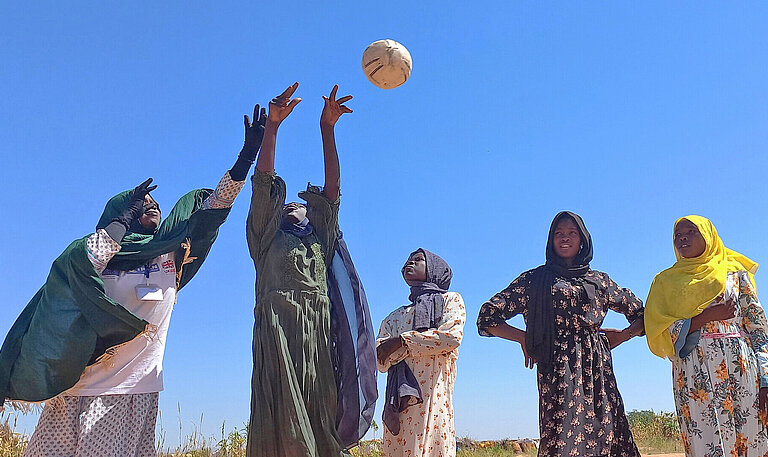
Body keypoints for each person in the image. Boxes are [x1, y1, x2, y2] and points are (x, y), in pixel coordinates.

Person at [0, 103, 267, 456]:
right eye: (142, 203)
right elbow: (82, 261)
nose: (152, 205)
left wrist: (246, 158)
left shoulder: (172, 254)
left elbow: (214, 210)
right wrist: (121, 221)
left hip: (131, 391)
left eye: (155, 202)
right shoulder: (93, 253)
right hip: (74, 388)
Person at [246, 83, 375, 457]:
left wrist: (327, 129)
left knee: (319, 421)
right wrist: (272, 128)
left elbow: (333, 190)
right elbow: (263, 183)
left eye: (300, 206)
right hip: (278, 333)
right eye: (283, 205)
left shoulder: (322, 241)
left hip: (318, 338)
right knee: (282, 422)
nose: (291, 207)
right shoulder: (264, 240)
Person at [476, 211, 644, 457]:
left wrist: (625, 335)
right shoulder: (534, 280)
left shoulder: (599, 281)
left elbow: (642, 314)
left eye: (571, 233)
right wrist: (524, 337)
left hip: (597, 366)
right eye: (559, 234)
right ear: (551, 240)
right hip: (556, 366)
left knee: (607, 429)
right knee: (561, 435)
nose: (565, 238)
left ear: (583, 239)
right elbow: (488, 317)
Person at [645, 215, 768, 457]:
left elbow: (759, 330)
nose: (683, 236)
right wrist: (705, 317)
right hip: (694, 373)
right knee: (707, 442)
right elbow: (657, 328)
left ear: (708, 236)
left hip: (743, 371)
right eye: (678, 234)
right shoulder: (664, 282)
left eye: (692, 231)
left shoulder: (735, 274)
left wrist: (766, 379)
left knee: (752, 439)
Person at [376, 248, 465, 457]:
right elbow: (380, 360)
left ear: (434, 268)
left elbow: (450, 337)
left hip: (434, 399)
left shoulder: (450, 301)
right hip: (400, 404)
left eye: (418, 259)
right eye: (408, 260)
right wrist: (420, 344)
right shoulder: (395, 316)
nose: (410, 263)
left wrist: (401, 341)